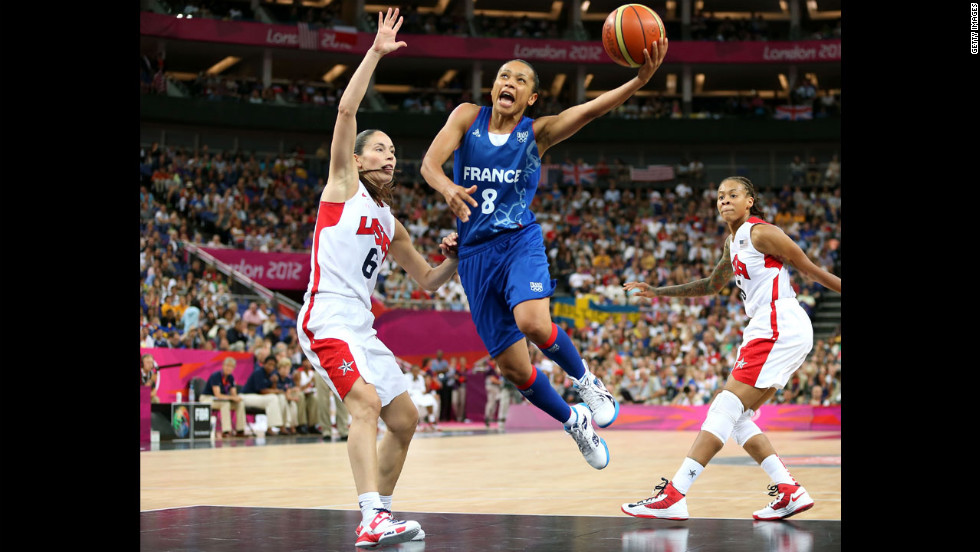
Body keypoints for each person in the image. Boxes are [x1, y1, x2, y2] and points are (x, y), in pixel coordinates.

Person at [420, 37, 668, 470]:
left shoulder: (535, 132)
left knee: (533, 321)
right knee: (515, 370)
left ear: (530, 97)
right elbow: (428, 164)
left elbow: (589, 111)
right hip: (475, 257)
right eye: (503, 76)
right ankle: (575, 421)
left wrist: (638, 80)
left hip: (518, 240)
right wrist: (448, 189)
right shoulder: (465, 117)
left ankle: (589, 383)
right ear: (493, 87)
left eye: (519, 79)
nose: (508, 82)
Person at [293, 9, 461, 548]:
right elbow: (346, 108)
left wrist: (454, 258)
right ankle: (368, 514)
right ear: (360, 158)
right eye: (381, 148)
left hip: (362, 327)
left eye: (393, 150)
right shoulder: (341, 185)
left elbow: (429, 282)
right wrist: (376, 53)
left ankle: (380, 514)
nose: (391, 155)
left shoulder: (391, 220)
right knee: (364, 404)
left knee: (406, 418)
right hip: (326, 315)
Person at [620, 176, 842, 521]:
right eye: (720, 196)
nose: (724, 201)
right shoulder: (733, 241)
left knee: (724, 407)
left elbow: (809, 269)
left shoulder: (761, 233)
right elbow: (710, 285)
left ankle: (674, 494)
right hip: (771, 327)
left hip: (777, 323)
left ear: (750, 200)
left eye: (733, 195)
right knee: (738, 419)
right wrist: (658, 292)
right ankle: (789, 491)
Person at [240, 353, 288, 435]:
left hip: (258, 398)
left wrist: (275, 382)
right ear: (264, 364)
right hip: (246, 396)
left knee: (281, 398)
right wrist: (276, 391)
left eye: (273, 365)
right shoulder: (259, 372)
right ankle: (270, 428)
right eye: (269, 364)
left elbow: (271, 390)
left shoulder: (270, 375)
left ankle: (283, 426)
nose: (271, 367)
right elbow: (262, 391)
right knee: (273, 398)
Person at [199, 357, 247, 438]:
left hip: (221, 400)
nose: (228, 368)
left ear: (233, 368)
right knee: (225, 404)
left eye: (231, 366)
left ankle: (240, 430)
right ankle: (226, 431)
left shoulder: (230, 378)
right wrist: (232, 398)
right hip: (207, 398)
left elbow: (233, 394)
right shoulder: (216, 376)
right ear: (223, 366)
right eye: (227, 365)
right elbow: (217, 395)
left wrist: (237, 398)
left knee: (240, 404)